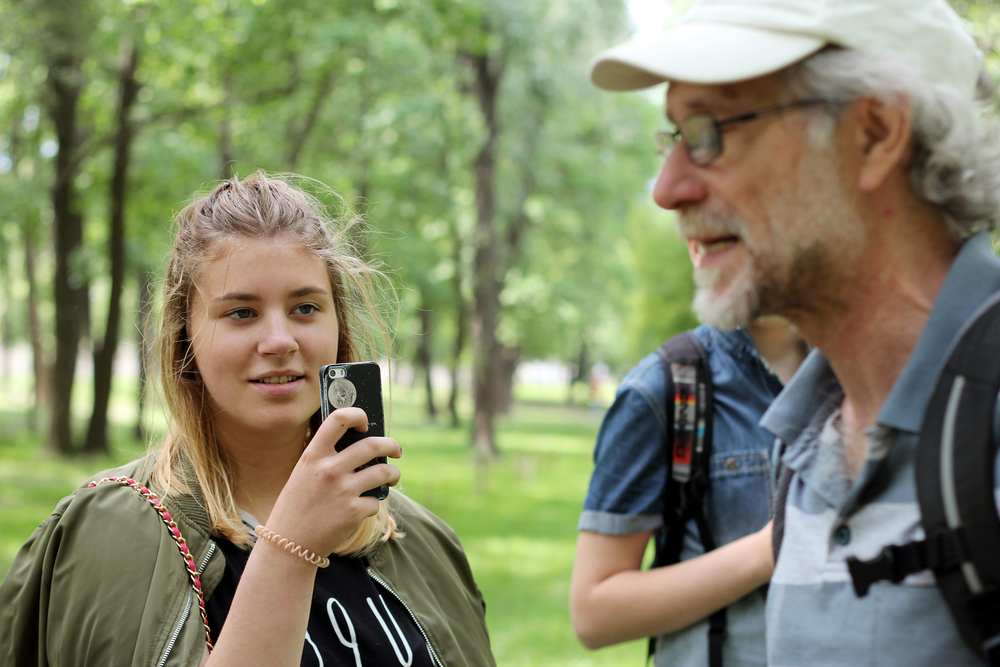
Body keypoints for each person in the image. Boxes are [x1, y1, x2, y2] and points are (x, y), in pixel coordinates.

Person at [586, 0, 1000, 665]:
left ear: (874, 132)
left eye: (710, 131)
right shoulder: (805, 440)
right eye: (673, 138)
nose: (667, 189)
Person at [0, 172, 495, 667]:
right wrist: (292, 546)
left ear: (337, 326)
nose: (280, 340)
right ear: (184, 340)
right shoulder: (110, 532)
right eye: (241, 313)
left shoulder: (421, 540)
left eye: (305, 307)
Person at [570, 316, 806, 667]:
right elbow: (593, 614)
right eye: (701, 253)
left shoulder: (861, 372)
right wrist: (768, 549)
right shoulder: (662, 388)